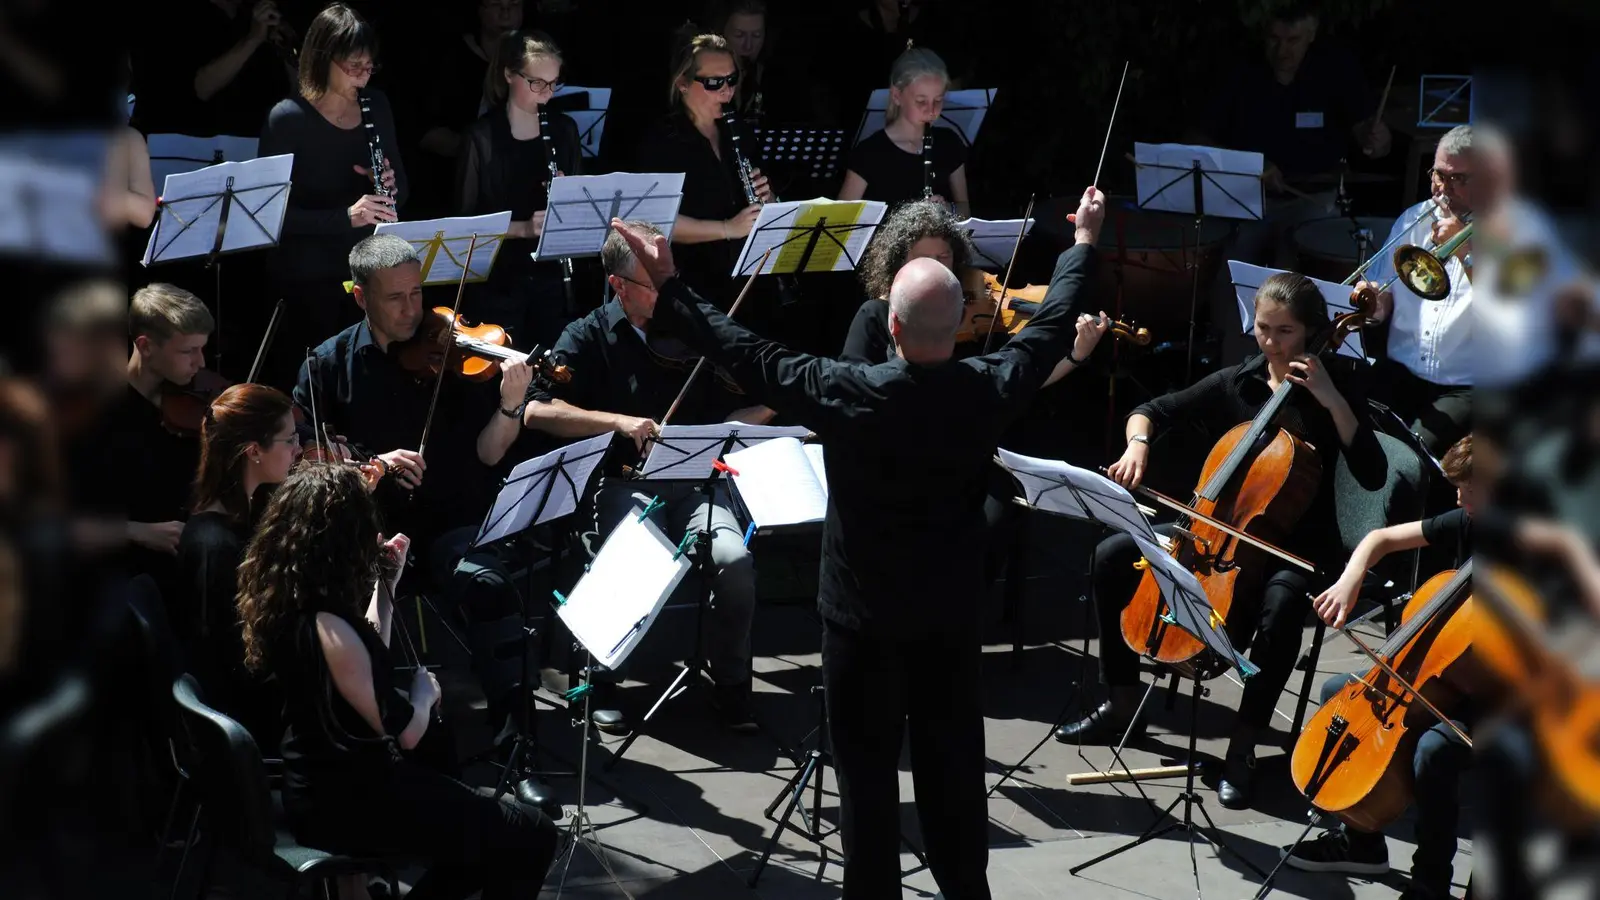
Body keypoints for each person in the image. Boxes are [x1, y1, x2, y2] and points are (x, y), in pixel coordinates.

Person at [603, 184, 1105, 898]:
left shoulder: (848, 391)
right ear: (960, 320)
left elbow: (749, 352)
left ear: (890, 328)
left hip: (861, 626)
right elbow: (1053, 326)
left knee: (867, 793)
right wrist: (1083, 242)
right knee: (953, 782)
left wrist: (674, 285)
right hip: (948, 623)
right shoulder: (988, 386)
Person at [1056, 272, 1376, 811]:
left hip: (1296, 543)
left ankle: (1243, 748)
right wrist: (1138, 445)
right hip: (1213, 530)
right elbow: (1154, 410)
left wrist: (1330, 399)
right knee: (1112, 556)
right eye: (1262, 328)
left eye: (1285, 332)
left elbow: (1369, 465)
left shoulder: (1340, 380)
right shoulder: (1240, 381)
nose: (1270, 342)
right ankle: (1121, 698)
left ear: (1313, 332)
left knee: (1278, 610)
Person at [293, 233, 558, 813]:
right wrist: (374, 467)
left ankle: (520, 749)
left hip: (447, 523)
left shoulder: (453, 356)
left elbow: (490, 455)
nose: (414, 310)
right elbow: (308, 465)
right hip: (366, 534)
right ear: (361, 298)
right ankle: (380, 746)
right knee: (354, 611)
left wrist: (512, 406)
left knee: (491, 590)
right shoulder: (326, 365)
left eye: (418, 293)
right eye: (396, 299)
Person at [480, 224, 769, 735]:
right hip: (619, 483)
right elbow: (538, 410)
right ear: (618, 285)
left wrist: (776, 404)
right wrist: (618, 422)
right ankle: (599, 680)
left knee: (735, 559)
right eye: (653, 283)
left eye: (668, 276)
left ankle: (731, 683)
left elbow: (737, 407)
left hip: (695, 483)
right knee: (629, 546)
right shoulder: (588, 333)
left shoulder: (695, 326)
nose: (666, 291)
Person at [236, 462, 559, 899]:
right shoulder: (329, 628)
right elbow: (403, 734)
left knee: (483, 841)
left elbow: (362, 659)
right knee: (531, 835)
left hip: (322, 785)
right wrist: (424, 699)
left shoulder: (294, 604)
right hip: (350, 803)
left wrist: (386, 586)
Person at [841, 198, 1110, 585]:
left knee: (989, 522)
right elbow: (853, 393)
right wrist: (1084, 239)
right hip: (899, 460)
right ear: (898, 265)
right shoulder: (874, 316)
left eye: (944, 258)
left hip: (970, 459)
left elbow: (1016, 379)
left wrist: (1076, 356)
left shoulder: (962, 315)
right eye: (923, 259)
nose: (937, 268)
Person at [1283, 436, 1485, 900]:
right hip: (1440, 681)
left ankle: (1430, 880)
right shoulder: (1471, 520)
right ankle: (1363, 840)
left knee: (1433, 750)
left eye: (1470, 491)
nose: (1459, 499)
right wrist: (1350, 579)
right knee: (1339, 691)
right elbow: (1381, 538)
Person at [259, 2, 407, 389]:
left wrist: (389, 187)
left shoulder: (378, 104)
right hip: (309, 278)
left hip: (366, 272)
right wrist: (346, 217)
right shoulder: (288, 119)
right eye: (352, 67)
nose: (362, 76)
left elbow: (403, 189)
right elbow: (271, 216)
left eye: (368, 66)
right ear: (323, 60)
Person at [1352, 125, 1498, 457]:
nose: (1442, 189)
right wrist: (1375, 305)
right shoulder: (1411, 220)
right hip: (1400, 369)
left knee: (1413, 453)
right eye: (1438, 175)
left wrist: (1465, 249)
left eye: (1457, 179)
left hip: (1465, 384)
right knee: (1348, 421)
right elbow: (1385, 297)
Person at [173, 382, 301, 745]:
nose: (297, 449)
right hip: (251, 725)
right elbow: (236, 665)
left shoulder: (239, 516)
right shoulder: (216, 548)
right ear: (254, 451)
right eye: (289, 440)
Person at [455, 29, 583, 350]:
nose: (546, 94)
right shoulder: (481, 139)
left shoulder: (564, 131)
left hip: (553, 282)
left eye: (553, 83)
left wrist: (570, 200)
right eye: (537, 83)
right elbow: (466, 226)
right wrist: (525, 228)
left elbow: (581, 214)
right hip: (500, 284)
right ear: (510, 74)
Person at [636, 30, 774, 310]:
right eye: (714, 82)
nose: (727, 90)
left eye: (732, 79)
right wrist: (727, 228)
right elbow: (655, 222)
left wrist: (768, 199)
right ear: (683, 84)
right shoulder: (663, 141)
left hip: (743, 275)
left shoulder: (739, 132)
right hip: (691, 278)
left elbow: (763, 205)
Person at [116, 284, 215, 595]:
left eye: (202, 348)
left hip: (191, 560)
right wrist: (139, 532)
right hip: (128, 574)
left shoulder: (191, 394)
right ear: (145, 346)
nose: (200, 363)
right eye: (188, 351)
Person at [837, 46, 968, 215]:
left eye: (938, 100)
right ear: (897, 96)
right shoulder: (868, 153)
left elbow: (965, 208)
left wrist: (947, 209)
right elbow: (841, 221)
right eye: (921, 101)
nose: (931, 110)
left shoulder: (949, 143)